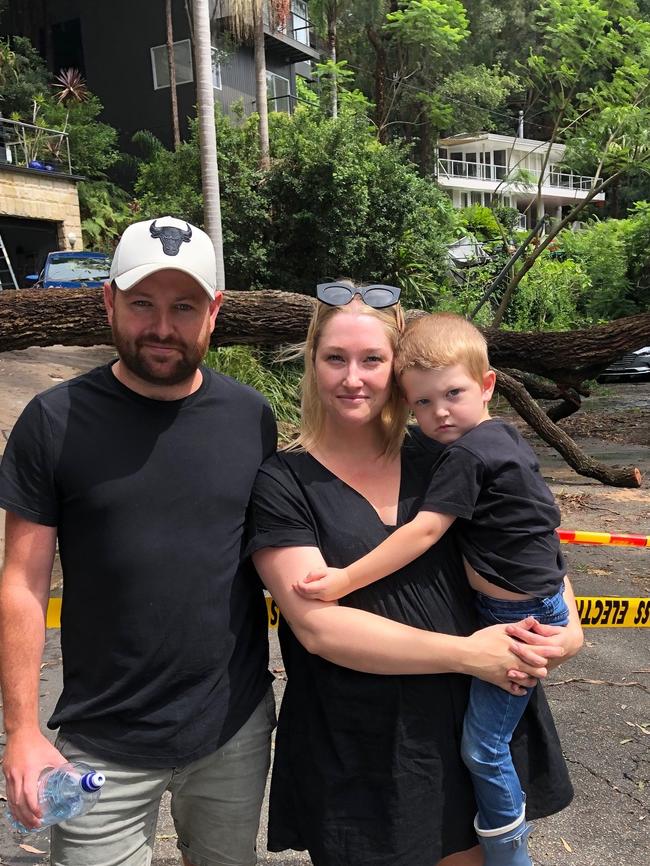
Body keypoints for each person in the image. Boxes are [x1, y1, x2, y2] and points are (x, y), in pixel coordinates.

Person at [246, 280, 583, 866]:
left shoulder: (449, 453)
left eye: (372, 359)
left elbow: (525, 537)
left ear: (396, 371)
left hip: (462, 724)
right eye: (335, 358)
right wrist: (465, 653)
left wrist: (569, 626)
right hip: (355, 744)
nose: (354, 378)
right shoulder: (283, 481)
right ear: (312, 364)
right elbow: (320, 629)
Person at [0, 216, 277, 866]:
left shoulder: (250, 418)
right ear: (108, 304)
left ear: (214, 312)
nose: (161, 326)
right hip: (100, 739)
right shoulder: (54, 422)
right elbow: (20, 582)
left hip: (232, 730)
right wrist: (20, 730)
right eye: (142, 304)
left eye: (183, 307)